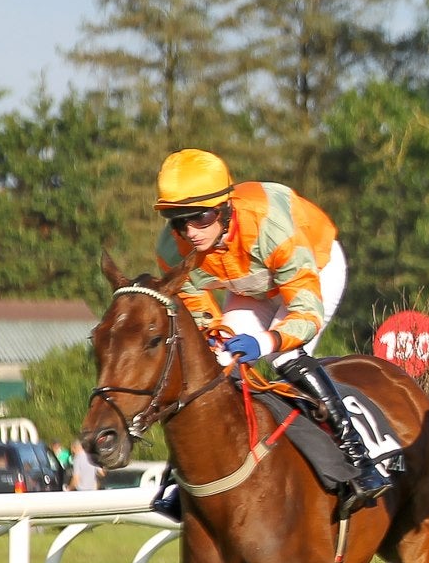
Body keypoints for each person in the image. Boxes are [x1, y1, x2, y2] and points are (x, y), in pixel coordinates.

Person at [151, 149, 390, 518]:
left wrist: (265, 341)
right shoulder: (172, 249)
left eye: (199, 218)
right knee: (216, 363)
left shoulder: (270, 226)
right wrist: (217, 337)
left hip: (315, 266)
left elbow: (305, 314)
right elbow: (202, 313)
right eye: (177, 221)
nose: (190, 232)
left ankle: (360, 459)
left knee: (284, 356)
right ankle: (181, 475)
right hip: (252, 285)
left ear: (225, 208)